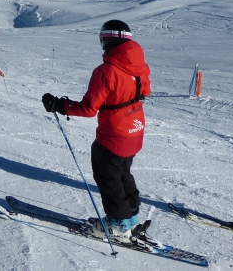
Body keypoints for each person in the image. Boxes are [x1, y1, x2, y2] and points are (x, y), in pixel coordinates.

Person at [42, 19, 152, 244]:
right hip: (134, 130)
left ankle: (118, 225)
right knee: (123, 173)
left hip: (113, 135)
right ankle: (131, 217)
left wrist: (59, 105)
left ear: (108, 40)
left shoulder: (106, 71)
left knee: (108, 177)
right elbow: (145, 91)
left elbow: (88, 108)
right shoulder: (140, 66)